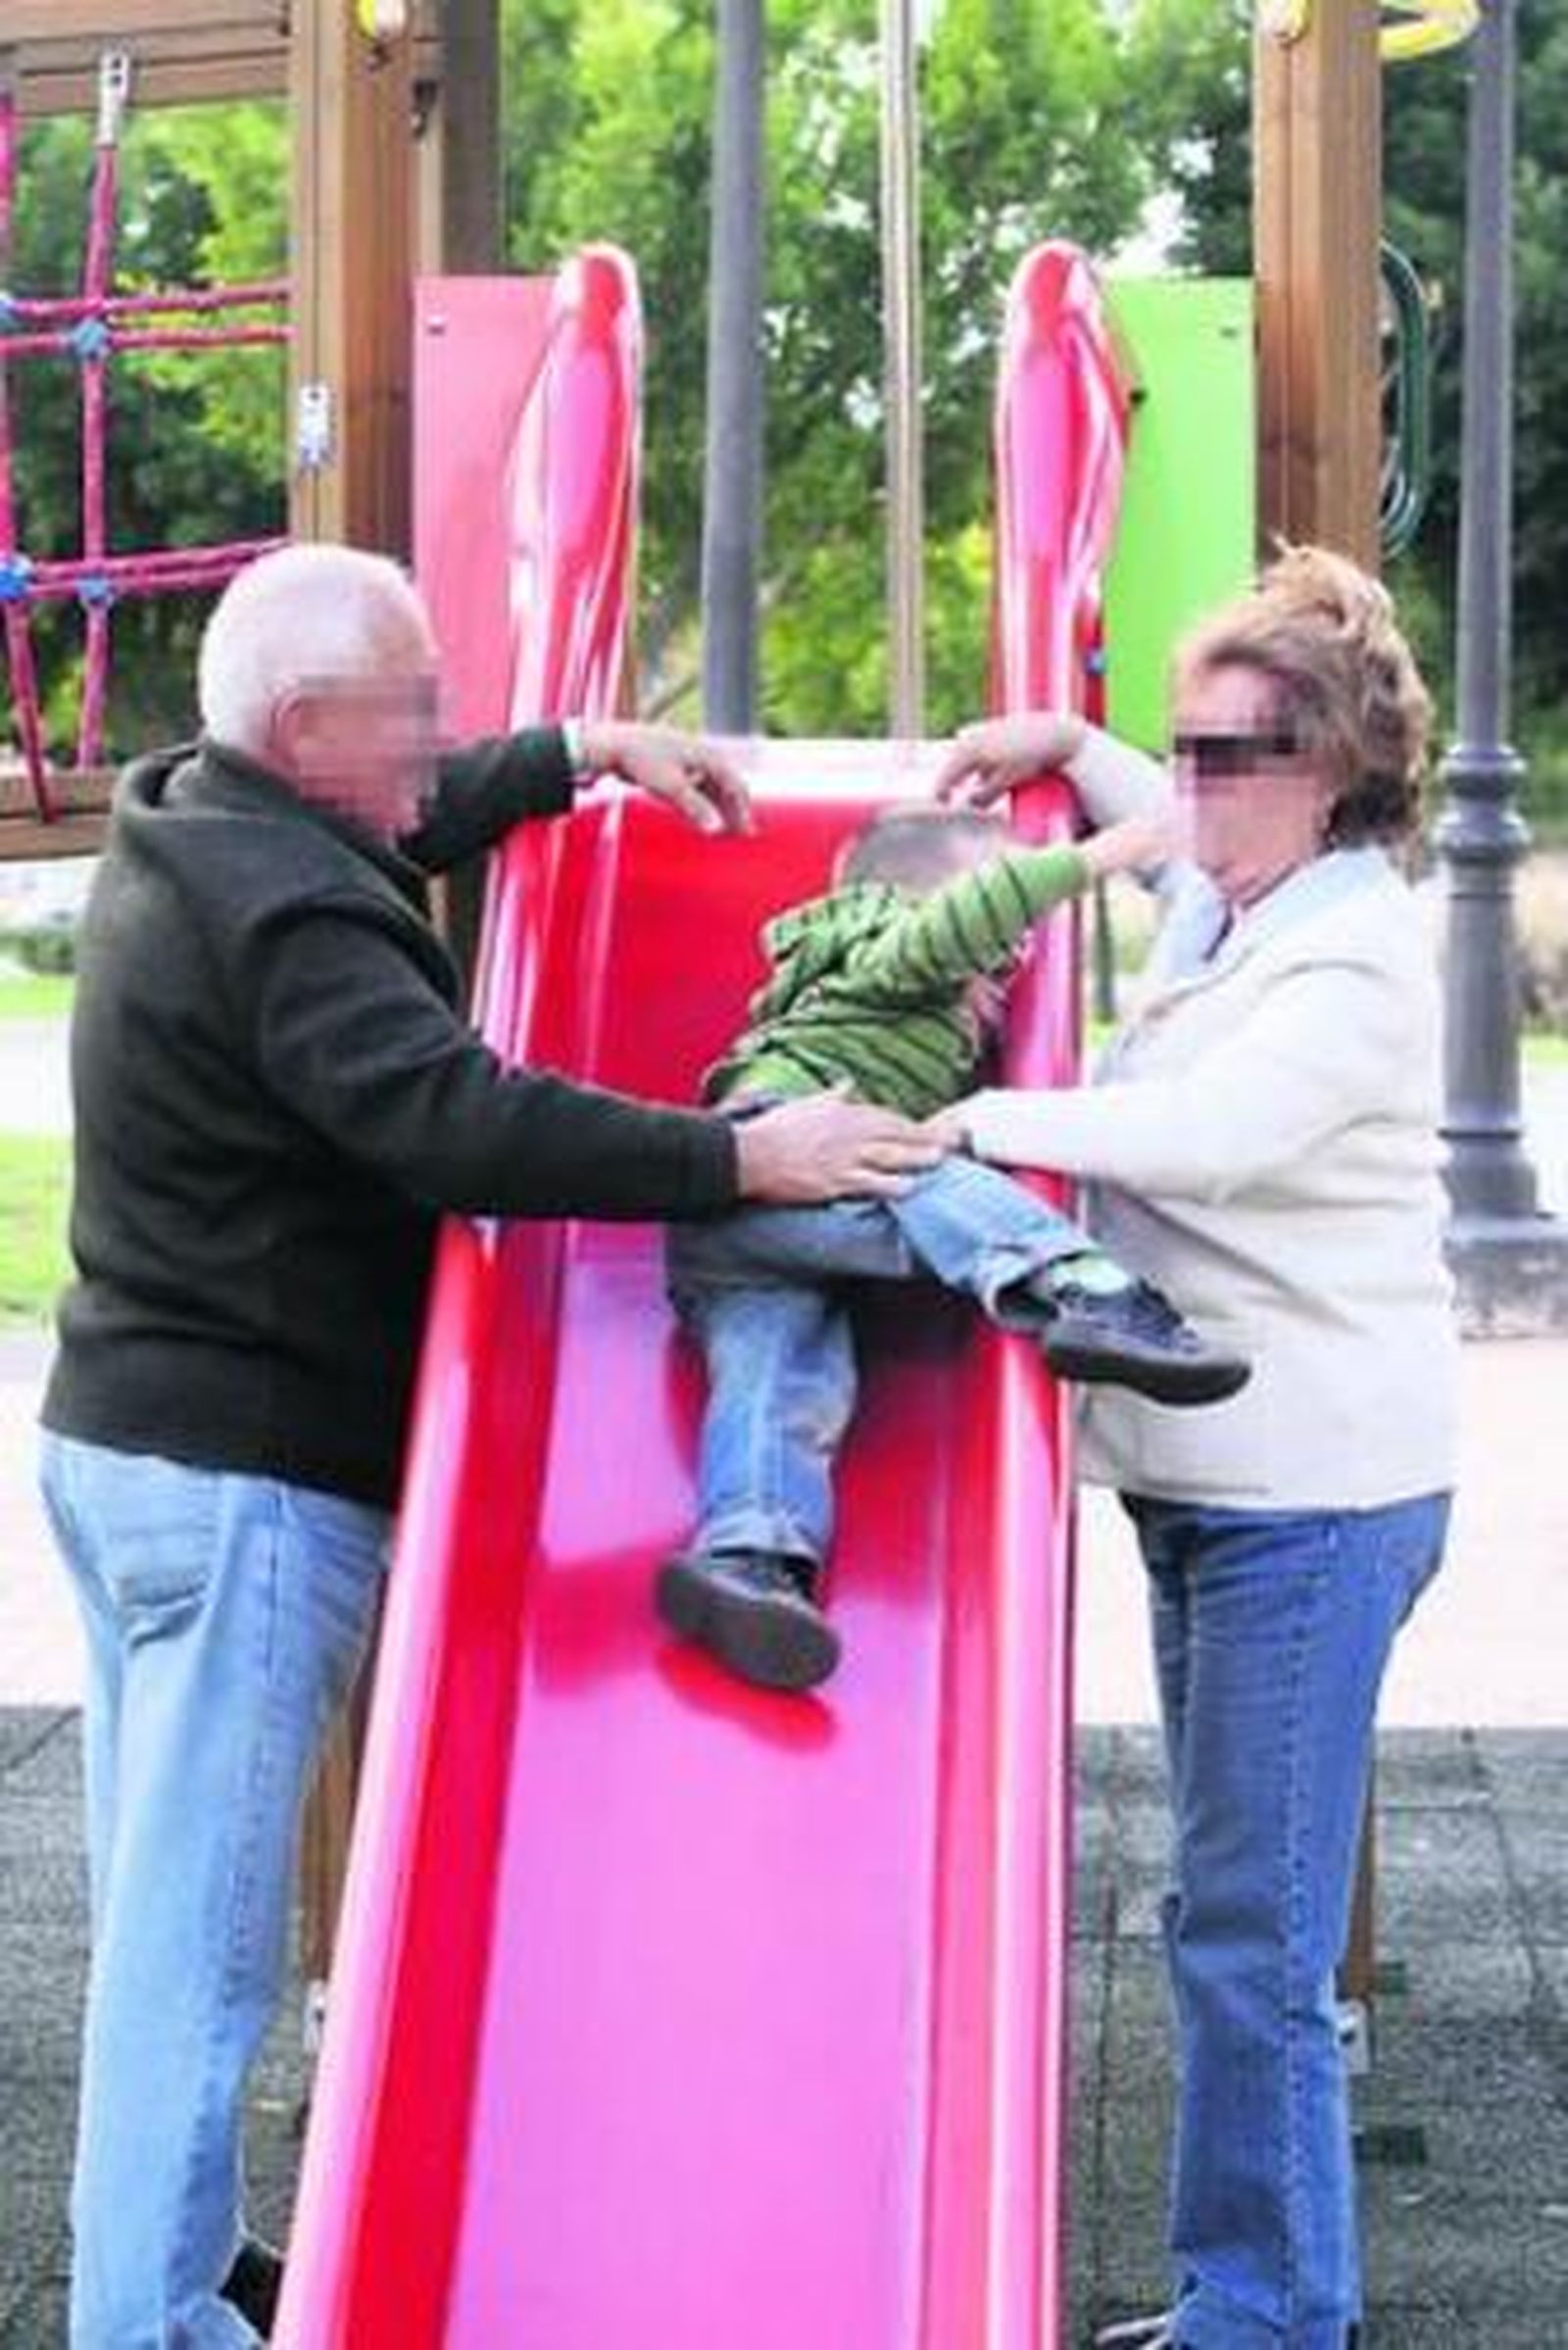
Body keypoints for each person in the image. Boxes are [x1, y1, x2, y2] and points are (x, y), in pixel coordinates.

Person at [36, 541, 941, 2350]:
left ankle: (175, 2267)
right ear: (307, 730)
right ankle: (143, 2317)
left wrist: (579, 747)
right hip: (244, 1476)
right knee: (198, 1944)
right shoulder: (291, 912)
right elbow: (456, 1117)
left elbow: (397, 842)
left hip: (134, 1444)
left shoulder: (206, 827)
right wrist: (737, 1157)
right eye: (418, 707)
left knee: (162, 1911)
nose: (445, 737)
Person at [931, 546, 1459, 2350]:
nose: (1198, 779)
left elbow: (1217, 1130)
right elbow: (1162, 811)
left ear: (1331, 771)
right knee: (1226, 1908)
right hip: (1213, 1486)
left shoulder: (1359, 956)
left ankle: (1274, 2308)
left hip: (1312, 1499)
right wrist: (1069, 741)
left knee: (1251, 1933)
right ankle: (1251, 2290)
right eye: (1189, 745)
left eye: (1236, 752)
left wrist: (973, 1116)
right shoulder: (1239, 895)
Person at [659, 799, 1250, 1692]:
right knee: (919, 1169)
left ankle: (748, 1558)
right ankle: (1082, 1286)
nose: (1010, 967)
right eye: (1002, 945)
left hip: (731, 1239)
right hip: (780, 1147)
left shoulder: (847, 1008)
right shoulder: (885, 947)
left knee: (785, 1377)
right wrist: (1096, 860)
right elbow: (946, 931)